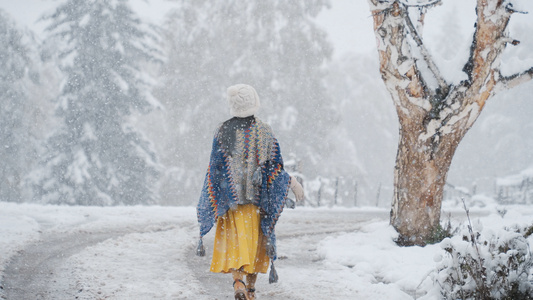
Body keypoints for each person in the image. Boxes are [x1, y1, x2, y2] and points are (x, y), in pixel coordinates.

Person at [196, 84, 304, 300]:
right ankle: (251, 290)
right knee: (255, 248)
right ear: (254, 102)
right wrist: (290, 182)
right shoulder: (264, 131)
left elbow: (214, 168)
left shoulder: (222, 131)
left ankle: (238, 283)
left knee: (235, 246)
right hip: (257, 205)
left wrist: (212, 198)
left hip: (231, 204)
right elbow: (274, 168)